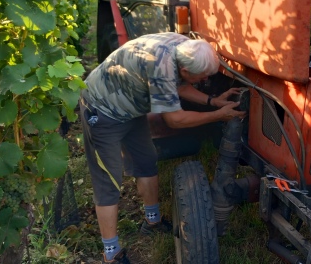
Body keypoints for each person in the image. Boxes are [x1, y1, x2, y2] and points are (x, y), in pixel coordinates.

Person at [79, 32, 245, 263]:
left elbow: (180, 86)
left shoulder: (184, 47)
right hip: (103, 109)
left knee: (147, 161)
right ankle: (111, 252)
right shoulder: (161, 68)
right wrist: (218, 115)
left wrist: (213, 101)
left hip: (131, 107)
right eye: (201, 78)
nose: (204, 82)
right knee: (108, 181)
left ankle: (152, 221)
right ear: (186, 71)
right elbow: (174, 120)